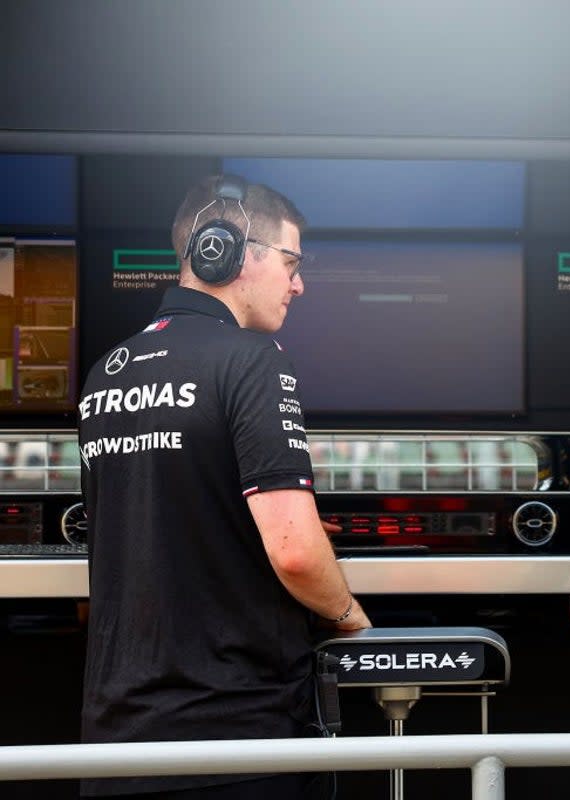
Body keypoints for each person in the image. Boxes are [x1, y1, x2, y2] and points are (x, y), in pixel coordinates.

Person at [78, 174, 371, 799]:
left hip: (115, 742)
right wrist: (353, 621)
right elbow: (293, 550)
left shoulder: (106, 372)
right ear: (228, 251)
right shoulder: (253, 359)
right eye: (290, 263)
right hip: (238, 740)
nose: (299, 284)